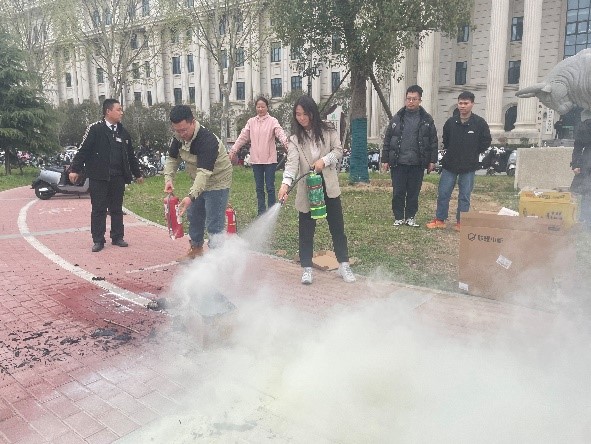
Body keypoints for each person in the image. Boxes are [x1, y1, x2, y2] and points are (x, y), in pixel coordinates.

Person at [278, 95, 355, 285]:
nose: (302, 118)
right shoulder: (294, 139)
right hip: (307, 187)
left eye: (305, 114)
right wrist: (285, 185)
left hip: (328, 185)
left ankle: (343, 264)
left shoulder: (328, 130)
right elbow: (291, 164)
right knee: (306, 230)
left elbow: (338, 150)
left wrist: (324, 161)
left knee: (337, 227)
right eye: (298, 114)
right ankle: (307, 268)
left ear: (313, 113)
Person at [69, 99, 143, 252]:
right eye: (118, 109)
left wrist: (137, 174)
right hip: (99, 177)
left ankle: (117, 237)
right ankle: (98, 240)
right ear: (108, 111)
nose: (121, 112)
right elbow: (83, 150)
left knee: (117, 209)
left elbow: (131, 156)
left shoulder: (123, 132)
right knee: (99, 209)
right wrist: (74, 169)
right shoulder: (95, 129)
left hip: (118, 177)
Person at [163, 105, 233, 261]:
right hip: (198, 179)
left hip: (217, 180)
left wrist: (190, 197)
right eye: (177, 130)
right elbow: (172, 159)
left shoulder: (207, 140)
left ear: (192, 122)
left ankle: (217, 259)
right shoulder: (178, 137)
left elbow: (204, 173)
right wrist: (168, 179)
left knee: (214, 221)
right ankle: (196, 250)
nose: (182, 134)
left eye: (184, 130)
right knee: (194, 214)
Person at [426, 91, 491, 231]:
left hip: (469, 166)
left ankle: (461, 222)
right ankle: (440, 219)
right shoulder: (451, 122)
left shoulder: (479, 123)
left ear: (472, 104)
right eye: (460, 103)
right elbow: (446, 140)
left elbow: (486, 141)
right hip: (450, 164)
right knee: (443, 193)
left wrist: (473, 152)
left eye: (466, 103)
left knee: (464, 195)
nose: (462, 106)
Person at [380, 85, 438, 227]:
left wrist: (432, 160)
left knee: (413, 192)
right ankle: (399, 217)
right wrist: (385, 159)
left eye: (414, 99)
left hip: (417, 163)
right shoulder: (397, 118)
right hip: (398, 162)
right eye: (408, 99)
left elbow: (433, 141)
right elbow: (388, 140)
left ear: (420, 100)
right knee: (398, 192)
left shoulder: (427, 120)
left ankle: (410, 217)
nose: (410, 102)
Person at [229, 97, 289, 215]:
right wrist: (233, 150)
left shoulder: (273, 121)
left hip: (270, 160)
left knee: (270, 187)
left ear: (267, 107)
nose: (260, 109)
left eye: (263, 107)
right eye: (258, 107)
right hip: (256, 160)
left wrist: (286, 144)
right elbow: (243, 137)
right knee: (259, 188)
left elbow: (280, 133)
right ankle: (261, 212)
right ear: (255, 108)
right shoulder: (251, 122)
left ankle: (271, 211)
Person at [571, 119, 591, 230]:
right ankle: (584, 219)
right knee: (586, 192)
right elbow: (578, 147)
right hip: (587, 164)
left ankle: (585, 219)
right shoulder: (587, 126)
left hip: (587, 164)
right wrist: (575, 164)